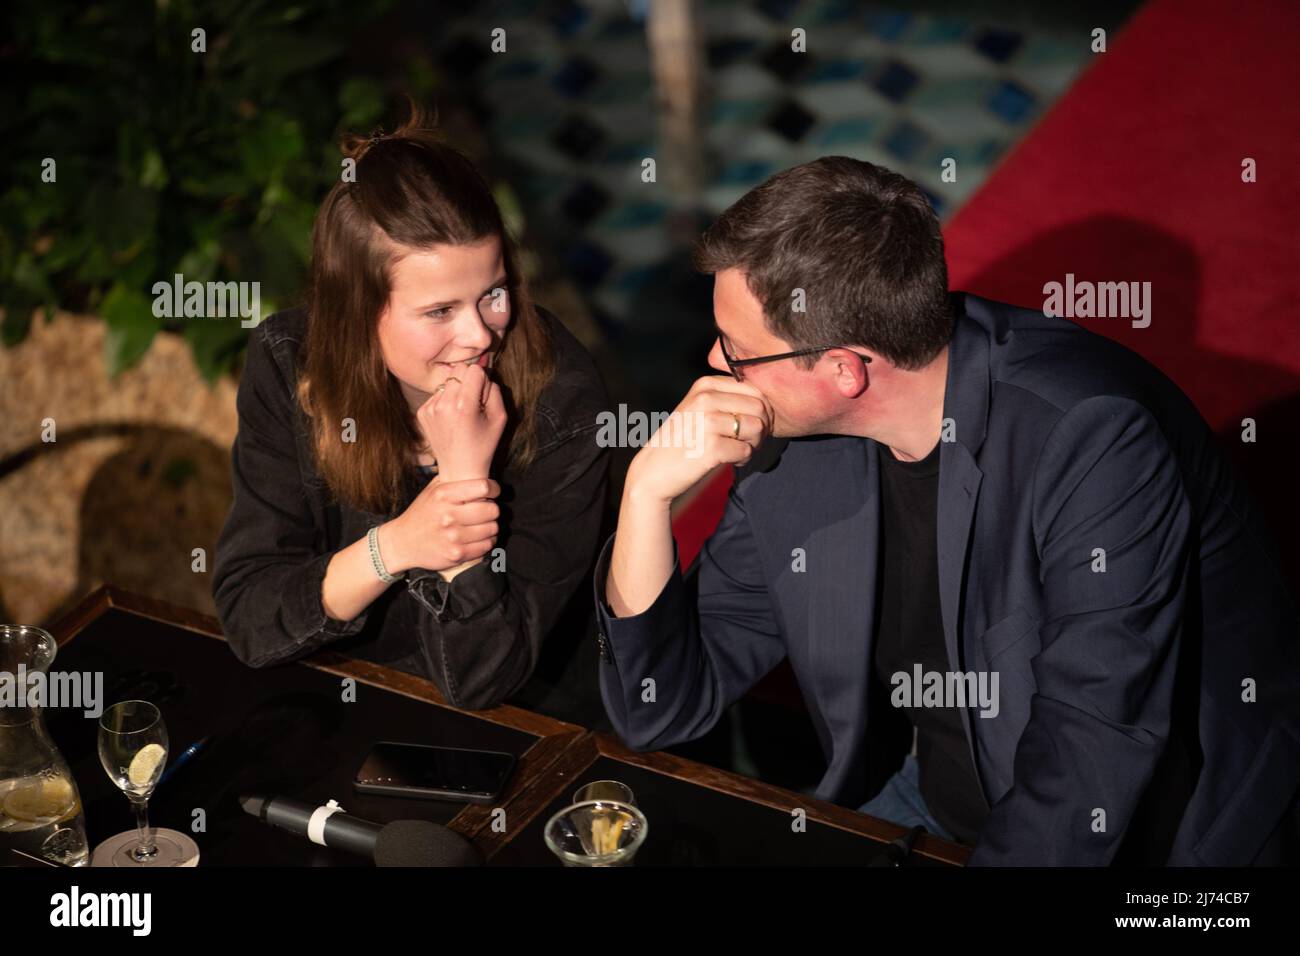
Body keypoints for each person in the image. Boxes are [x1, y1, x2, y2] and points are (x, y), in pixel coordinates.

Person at [594, 156, 1300, 865]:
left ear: (846, 369)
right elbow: (659, 704)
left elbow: (1093, 751)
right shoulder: (801, 444)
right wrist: (645, 496)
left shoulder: (1092, 438)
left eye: (740, 352)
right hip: (944, 792)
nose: (715, 365)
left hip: (1161, 836)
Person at [212, 109, 611, 723]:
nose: (480, 334)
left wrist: (461, 483)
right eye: (439, 311)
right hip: (341, 699)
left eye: (493, 294)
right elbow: (250, 619)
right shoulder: (287, 362)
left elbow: (483, 681)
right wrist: (395, 546)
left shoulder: (564, 401)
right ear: (358, 314)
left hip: (531, 721)